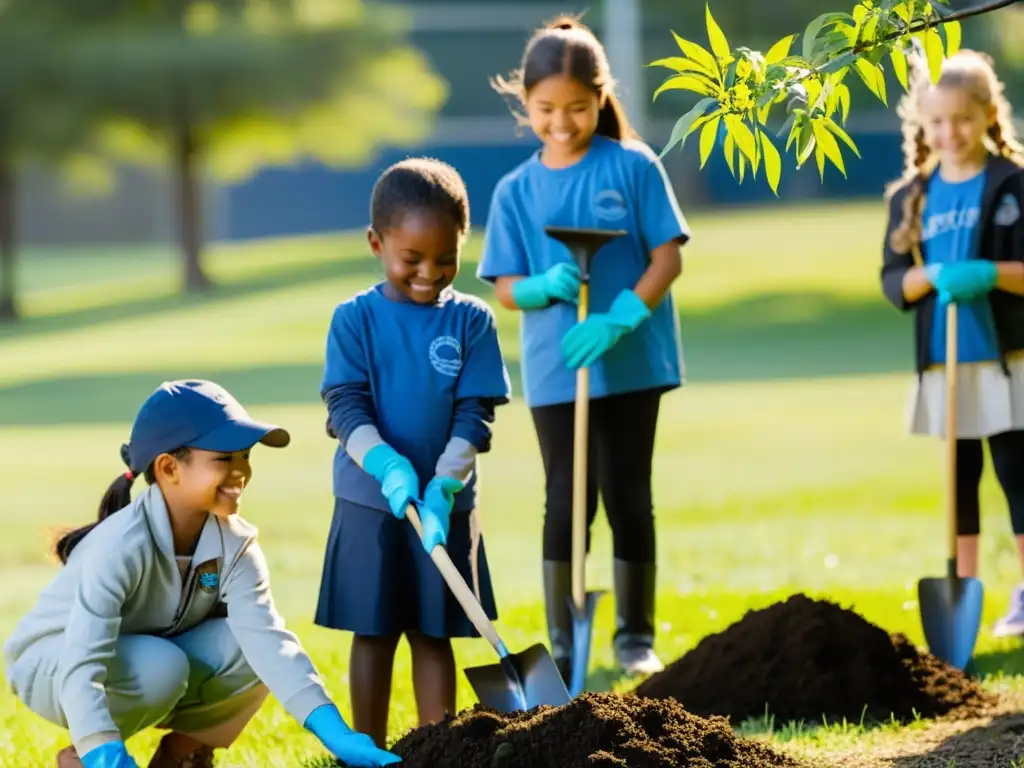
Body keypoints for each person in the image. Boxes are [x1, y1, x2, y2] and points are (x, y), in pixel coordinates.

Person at [2, 379, 400, 768]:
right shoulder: (118, 545)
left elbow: (270, 645)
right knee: (163, 665)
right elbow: (82, 662)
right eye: (224, 459)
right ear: (169, 468)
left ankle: (181, 756)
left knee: (249, 650)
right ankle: (80, 755)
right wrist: (99, 749)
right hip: (51, 663)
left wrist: (334, 731)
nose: (241, 471)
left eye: (245, 456)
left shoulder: (236, 544)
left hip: (145, 651)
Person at [476, 15, 690, 681]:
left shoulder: (632, 164)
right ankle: (564, 643)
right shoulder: (515, 189)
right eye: (545, 110)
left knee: (629, 493)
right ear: (524, 103)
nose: (562, 122)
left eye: (577, 107)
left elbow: (667, 258)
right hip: (555, 365)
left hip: (632, 362)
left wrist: (622, 315)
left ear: (601, 97)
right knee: (566, 496)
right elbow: (503, 288)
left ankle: (634, 638)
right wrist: (541, 286)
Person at [316, 157, 512, 747]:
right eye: (412, 260)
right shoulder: (354, 319)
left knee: (434, 634)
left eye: (446, 259)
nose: (430, 273)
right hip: (370, 505)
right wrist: (387, 465)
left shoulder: (472, 320)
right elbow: (345, 406)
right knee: (373, 633)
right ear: (377, 244)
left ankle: (436, 749)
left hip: (442, 507)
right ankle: (367, 749)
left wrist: (444, 483)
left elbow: (475, 413)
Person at [880, 49, 1024, 637]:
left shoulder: (1013, 183)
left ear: (988, 115)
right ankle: (961, 594)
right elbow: (892, 279)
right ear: (921, 123)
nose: (950, 132)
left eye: (962, 119)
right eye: (937, 121)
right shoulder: (910, 195)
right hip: (945, 361)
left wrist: (989, 272)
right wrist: (931, 277)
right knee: (957, 477)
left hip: (1007, 358)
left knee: (1017, 472)